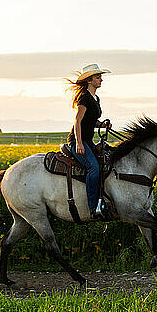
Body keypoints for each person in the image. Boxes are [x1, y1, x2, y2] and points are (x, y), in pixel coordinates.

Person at [66, 63, 111, 217]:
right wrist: (78, 143)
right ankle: (93, 208)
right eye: (98, 77)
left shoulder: (95, 98)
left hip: (88, 140)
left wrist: (102, 125)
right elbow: (77, 121)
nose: (101, 80)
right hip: (77, 141)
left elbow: (90, 121)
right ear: (90, 80)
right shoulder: (84, 97)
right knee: (93, 168)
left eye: (100, 77)